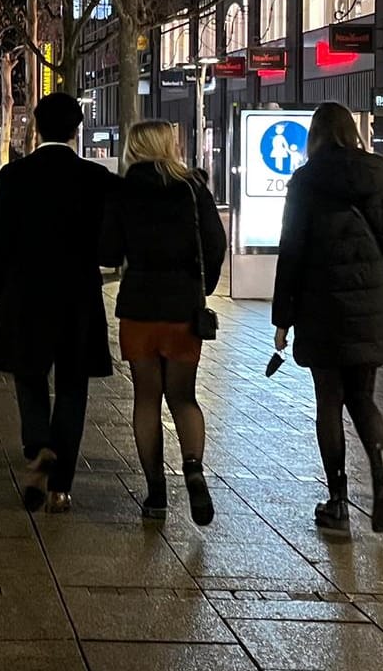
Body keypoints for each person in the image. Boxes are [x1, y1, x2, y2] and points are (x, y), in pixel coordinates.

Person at [272, 102, 383, 535]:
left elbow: (292, 251)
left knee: (329, 401)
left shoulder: (305, 181)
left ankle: (338, 504)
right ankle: (382, 473)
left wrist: (283, 317)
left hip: (320, 306)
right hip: (371, 304)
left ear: (315, 136)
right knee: (363, 396)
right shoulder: (381, 175)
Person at [0, 93, 118, 514]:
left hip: (25, 295)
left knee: (28, 376)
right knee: (72, 387)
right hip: (77, 296)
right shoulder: (97, 179)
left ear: (36, 128)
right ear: (76, 130)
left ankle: (38, 443)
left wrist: (3, 285)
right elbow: (110, 249)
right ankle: (61, 488)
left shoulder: (13, 176)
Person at [99, 120, 226, 525]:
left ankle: (155, 493)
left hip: (138, 305)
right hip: (183, 306)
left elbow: (107, 250)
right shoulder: (192, 189)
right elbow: (215, 242)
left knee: (147, 398)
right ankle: (193, 469)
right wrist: (202, 285)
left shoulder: (121, 191)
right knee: (184, 397)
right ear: (169, 145)